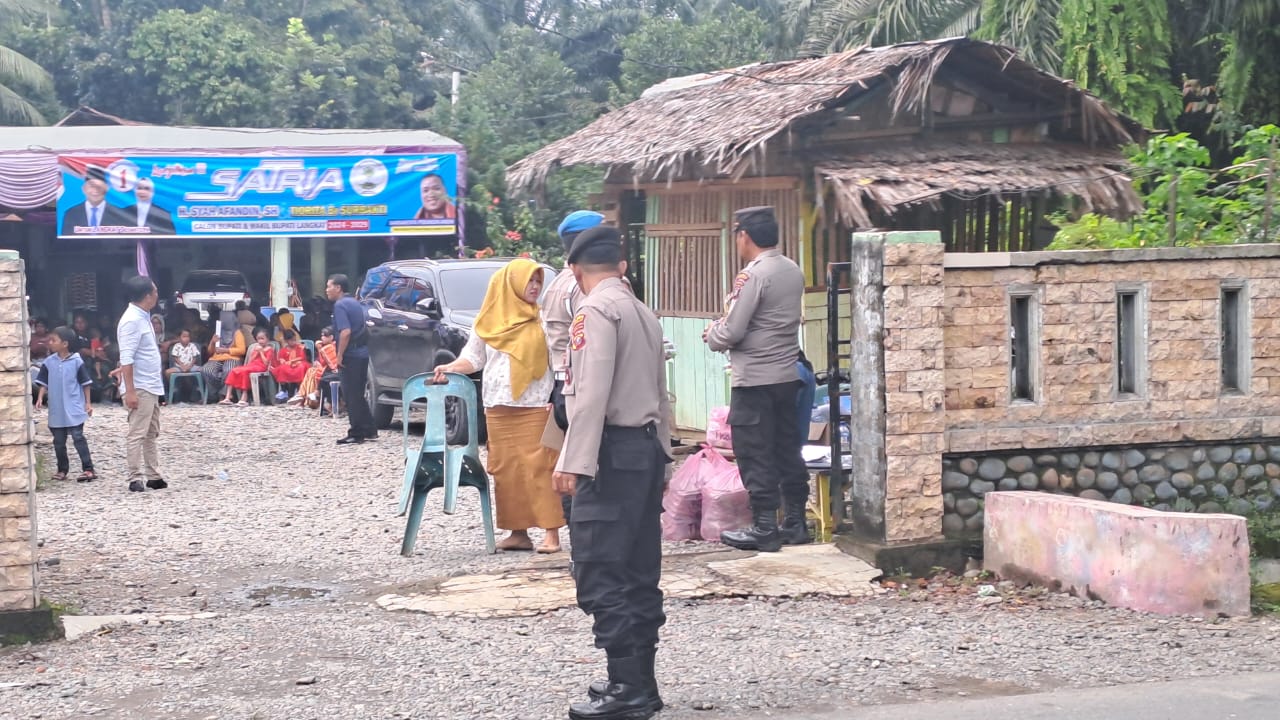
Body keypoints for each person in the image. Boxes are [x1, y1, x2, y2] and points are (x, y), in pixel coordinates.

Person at [550, 225, 672, 720]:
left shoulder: (594, 310)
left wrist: (572, 461)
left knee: (601, 567)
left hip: (610, 453)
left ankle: (630, 689)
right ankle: (640, 680)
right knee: (639, 568)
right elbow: (662, 393)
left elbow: (591, 391)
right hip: (643, 451)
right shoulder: (643, 311)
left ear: (576, 271)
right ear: (621, 267)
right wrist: (663, 456)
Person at [432, 259, 565, 553]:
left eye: (538, 282)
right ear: (510, 284)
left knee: (540, 468)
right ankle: (518, 532)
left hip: (535, 406)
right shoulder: (487, 323)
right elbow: (474, 359)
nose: (534, 287)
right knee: (506, 470)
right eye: (530, 281)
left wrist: (557, 401)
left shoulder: (542, 322)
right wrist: (451, 367)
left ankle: (551, 533)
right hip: (497, 407)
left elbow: (559, 365)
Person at [703, 206, 808, 551]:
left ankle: (764, 527)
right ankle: (796, 521)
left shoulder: (753, 275)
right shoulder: (792, 269)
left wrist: (712, 334)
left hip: (754, 380)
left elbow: (732, 329)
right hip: (786, 375)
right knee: (786, 448)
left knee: (754, 451)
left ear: (743, 236)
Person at [543, 210, 606, 525]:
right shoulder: (582, 286)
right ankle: (585, 540)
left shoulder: (558, 282)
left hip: (561, 382)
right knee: (590, 463)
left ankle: (579, 537)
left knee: (575, 457)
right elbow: (595, 338)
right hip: (581, 383)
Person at [117, 275, 167, 493]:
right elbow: (126, 359)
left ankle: (153, 475)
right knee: (137, 432)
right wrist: (130, 391)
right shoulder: (131, 321)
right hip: (140, 385)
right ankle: (135, 476)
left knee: (151, 431)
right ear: (147, 295)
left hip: (151, 383)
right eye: (155, 291)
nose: (157, 294)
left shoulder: (143, 316)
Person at [33, 326, 97, 482]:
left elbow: (85, 383)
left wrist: (87, 403)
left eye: (54, 340)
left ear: (65, 344)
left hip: (74, 404)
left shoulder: (76, 361)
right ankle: (62, 469)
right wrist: (40, 397)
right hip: (57, 407)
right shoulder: (49, 362)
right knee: (59, 441)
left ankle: (88, 469)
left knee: (78, 437)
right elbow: (43, 383)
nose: (50, 342)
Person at [327, 274, 376, 444]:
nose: (327, 290)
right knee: (358, 394)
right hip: (362, 353)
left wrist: (339, 355)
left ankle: (356, 433)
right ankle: (369, 429)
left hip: (351, 355)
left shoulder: (340, 305)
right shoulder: (355, 303)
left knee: (351, 395)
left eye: (329, 286)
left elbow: (345, 332)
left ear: (338, 288)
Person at [60, 165, 127, 232]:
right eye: (92, 186)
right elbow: (66, 239)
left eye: (99, 187)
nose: (95, 191)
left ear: (107, 189)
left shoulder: (119, 214)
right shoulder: (71, 213)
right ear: (84, 189)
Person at [202, 309, 251, 397]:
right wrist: (213, 342)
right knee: (206, 370)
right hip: (216, 358)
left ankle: (224, 395)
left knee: (228, 370)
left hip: (232, 358)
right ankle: (220, 392)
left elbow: (241, 350)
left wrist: (226, 350)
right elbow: (210, 352)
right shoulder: (218, 332)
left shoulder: (237, 333)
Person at [220, 328, 274, 405]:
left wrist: (261, 352)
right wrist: (255, 353)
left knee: (246, 371)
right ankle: (228, 397)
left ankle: (244, 397)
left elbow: (266, 363)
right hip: (252, 365)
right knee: (234, 370)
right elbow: (250, 361)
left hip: (261, 367)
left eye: (262, 339)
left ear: (267, 339)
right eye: (258, 339)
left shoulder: (270, 349)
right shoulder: (256, 348)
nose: (260, 341)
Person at [292, 326, 339, 408]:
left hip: (330, 371)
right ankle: (302, 397)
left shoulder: (332, 347)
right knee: (311, 370)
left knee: (314, 372)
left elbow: (331, 363)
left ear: (331, 337)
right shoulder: (325, 346)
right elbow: (321, 360)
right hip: (324, 369)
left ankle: (305, 399)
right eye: (322, 336)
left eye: (324, 336)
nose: (322, 338)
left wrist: (320, 348)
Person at [165, 329, 203, 402]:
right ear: (179, 338)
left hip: (191, 366)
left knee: (203, 370)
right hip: (179, 367)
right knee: (167, 372)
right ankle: (174, 387)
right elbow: (176, 358)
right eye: (184, 336)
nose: (186, 338)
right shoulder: (176, 346)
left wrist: (189, 366)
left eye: (188, 336)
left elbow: (195, 357)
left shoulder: (192, 346)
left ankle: (199, 387)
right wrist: (182, 366)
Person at [270, 329, 308, 400]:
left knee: (301, 367)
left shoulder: (300, 347)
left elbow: (302, 357)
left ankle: (300, 389)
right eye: (291, 340)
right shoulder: (283, 350)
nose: (294, 342)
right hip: (289, 366)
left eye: (294, 340)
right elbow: (280, 358)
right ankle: (284, 390)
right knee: (282, 368)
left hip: (298, 364)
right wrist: (282, 360)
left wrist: (292, 361)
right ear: (286, 341)